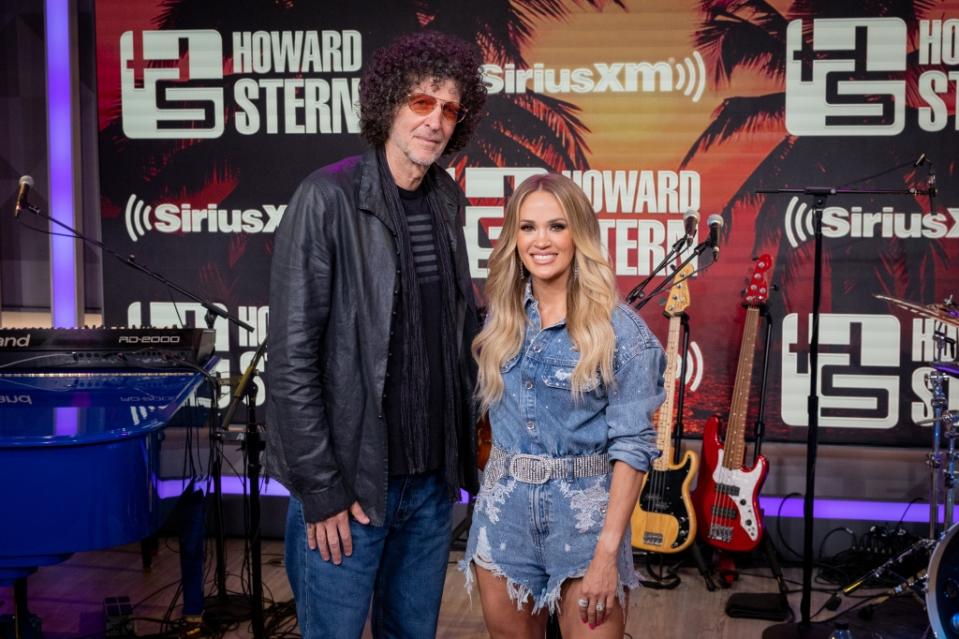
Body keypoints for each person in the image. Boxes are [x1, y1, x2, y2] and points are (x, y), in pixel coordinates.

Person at [265, 30, 486, 639]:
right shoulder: (326, 198)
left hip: (429, 489)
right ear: (389, 103)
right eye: (422, 102)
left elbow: (447, 333)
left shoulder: (447, 199)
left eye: (449, 109)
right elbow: (291, 360)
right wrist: (320, 489)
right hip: (351, 489)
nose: (435, 121)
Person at [461, 173, 666, 638]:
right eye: (528, 228)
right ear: (514, 237)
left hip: (586, 522)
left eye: (556, 226)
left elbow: (633, 449)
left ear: (580, 234)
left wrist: (607, 555)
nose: (541, 241)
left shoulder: (622, 333)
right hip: (504, 515)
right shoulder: (502, 319)